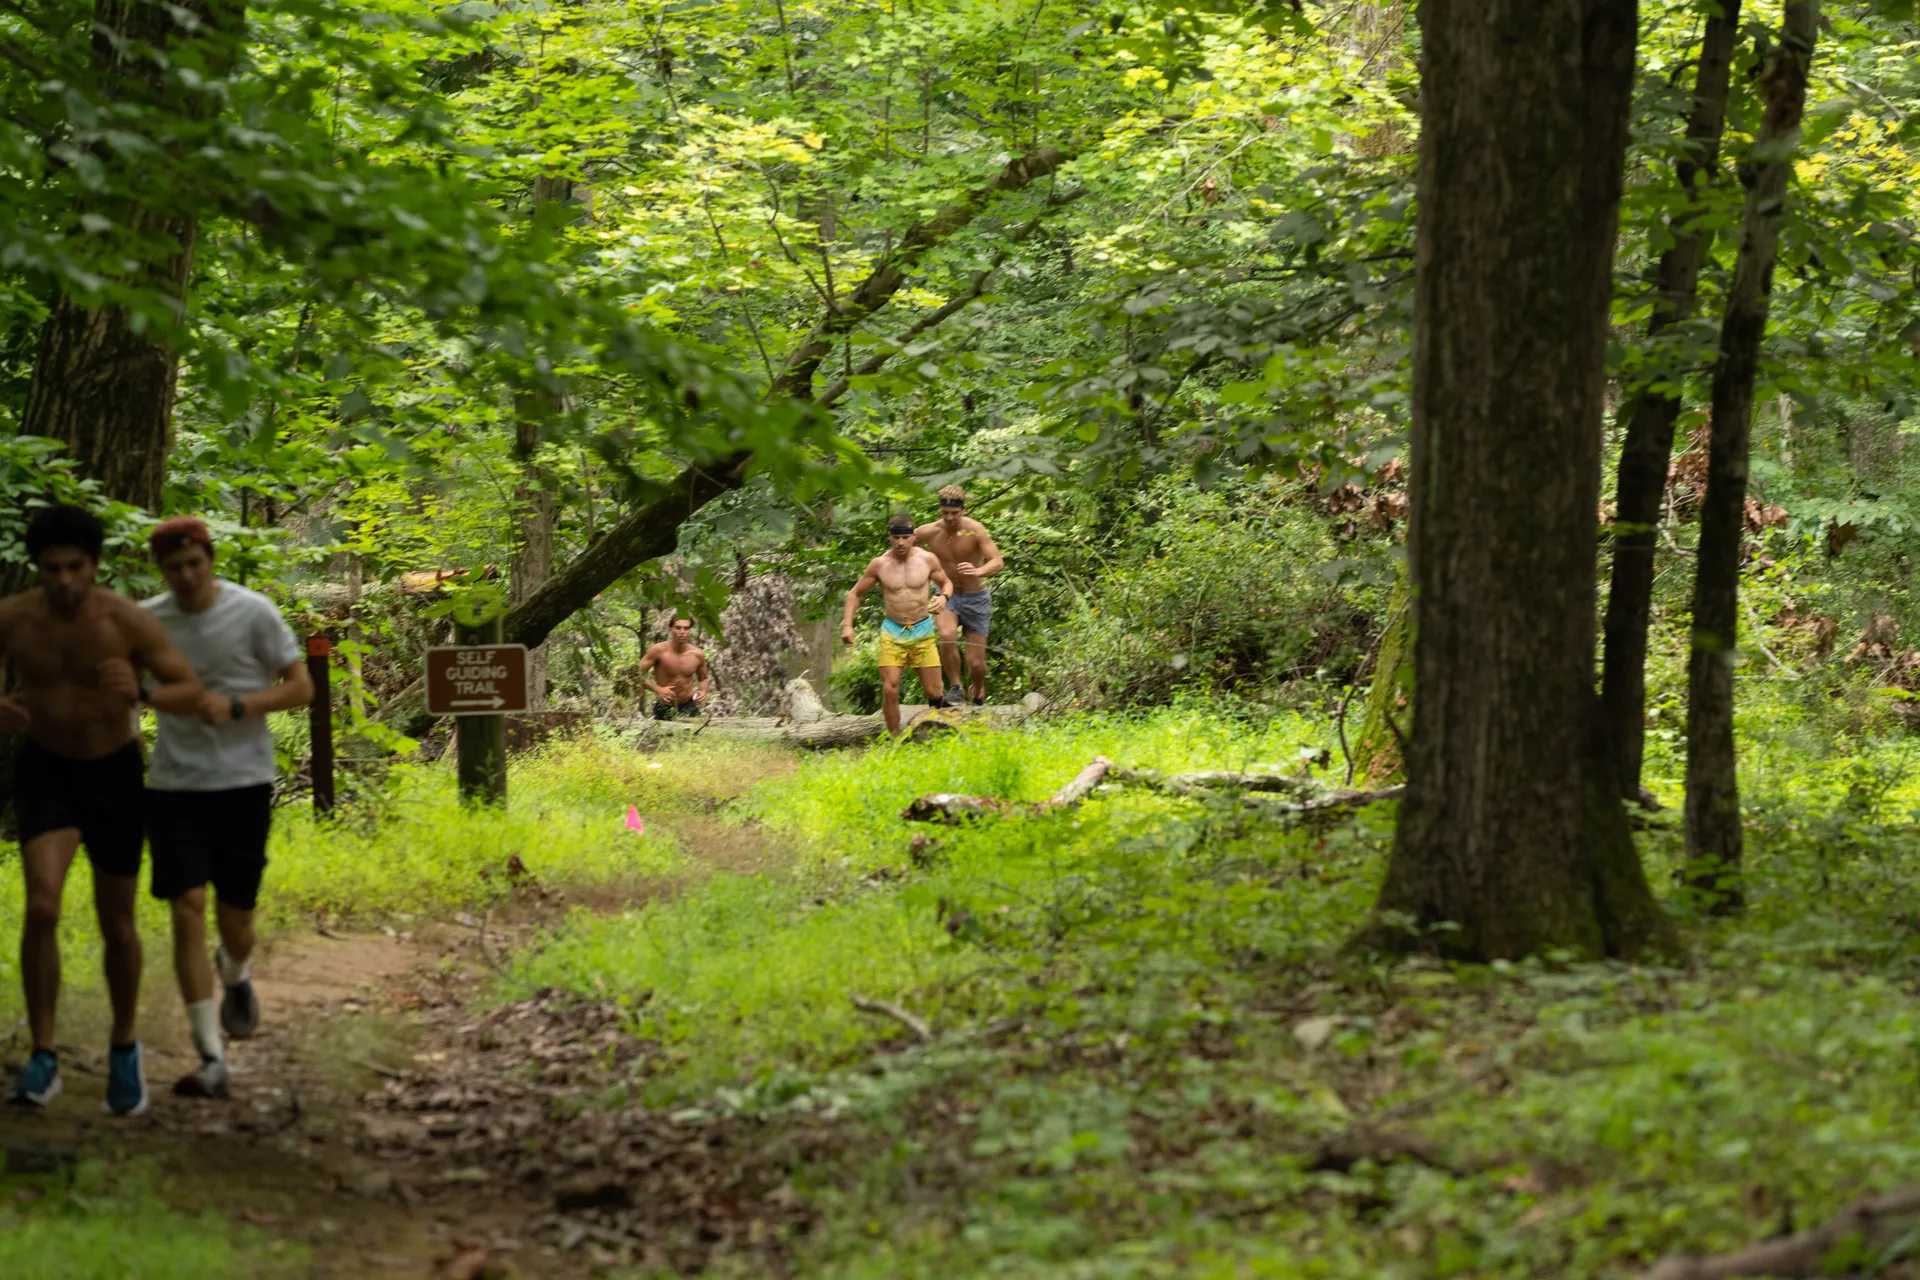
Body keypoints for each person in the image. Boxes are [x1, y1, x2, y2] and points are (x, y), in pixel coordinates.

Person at [1, 504, 201, 1116]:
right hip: (46, 769)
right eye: (52, 568)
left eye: (76, 567)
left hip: (113, 770)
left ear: (95, 566)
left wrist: (141, 692)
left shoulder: (126, 621)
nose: (64, 581)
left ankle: (122, 1046)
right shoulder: (13, 618)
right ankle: (43, 1052)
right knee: (41, 904)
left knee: (117, 920)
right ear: (36, 567)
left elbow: (188, 687)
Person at [142, 517, 312, 1099]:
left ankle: (235, 972)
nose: (187, 576)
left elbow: (301, 686)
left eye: (196, 564)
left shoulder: (253, 611)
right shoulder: (148, 621)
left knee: (236, 923)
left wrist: (238, 707)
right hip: (173, 787)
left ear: (211, 559)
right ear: (161, 572)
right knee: (185, 906)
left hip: (242, 783)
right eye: (174, 568)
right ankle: (210, 1056)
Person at [842, 513, 954, 735]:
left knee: (934, 690)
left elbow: (946, 582)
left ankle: (938, 733)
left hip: (922, 630)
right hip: (892, 632)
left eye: (905, 537)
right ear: (890, 538)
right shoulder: (879, 565)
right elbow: (855, 594)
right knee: (890, 688)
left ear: (914, 537)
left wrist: (943, 598)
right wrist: (847, 625)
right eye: (896, 538)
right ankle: (895, 740)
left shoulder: (927, 559)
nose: (901, 543)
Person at [915, 485, 1005, 706]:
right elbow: (903, 543)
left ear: (963, 509)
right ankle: (956, 687)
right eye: (945, 513)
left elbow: (998, 561)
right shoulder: (929, 531)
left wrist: (979, 571)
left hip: (977, 597)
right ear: (940, 510)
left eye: (954, 513)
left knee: (976, 664)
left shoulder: (976, 530)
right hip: (948, 595)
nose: (949, 518)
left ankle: (979, 686)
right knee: (946, 635)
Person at [639, 616, 710, 719]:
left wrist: (703, 691)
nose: (682, 632)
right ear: (670, 629)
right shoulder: (659, 650)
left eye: (686, 628)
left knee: (695, 734)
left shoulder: (697, 654)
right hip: (664, 706)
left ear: (690, 630)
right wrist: (658, 689)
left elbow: (703, 678)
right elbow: (637, 674)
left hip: (688, 706)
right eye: (678, 628)